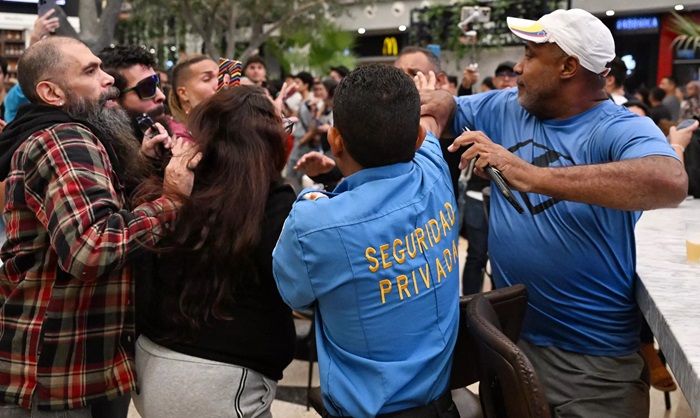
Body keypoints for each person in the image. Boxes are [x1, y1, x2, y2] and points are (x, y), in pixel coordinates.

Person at [422, 8, 687, 417]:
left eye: (530, 54)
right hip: (511, 344)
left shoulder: (617, 128)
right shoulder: (505, 107)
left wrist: (532, 176)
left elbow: (669, 181)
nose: (519, 67)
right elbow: (448, 103)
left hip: (591, 366)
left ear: (568, 66)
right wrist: (433, 109)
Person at [0, 36, 200, 415]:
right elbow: (90, 247)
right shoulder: (66, 138)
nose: (109, 79)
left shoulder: (60, 134)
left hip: (70, 370)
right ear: (51, 92)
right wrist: (172, 201)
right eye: (91, 71)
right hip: (57, 378)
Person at [273, 65, 460, 418]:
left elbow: (294, 295)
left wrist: (311, 199)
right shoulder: (435, 171)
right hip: (442, 401)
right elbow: (429, 130)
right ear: (419, 139)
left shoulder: (315, 222)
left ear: (334, 139)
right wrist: (423, 99)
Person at [133, 86, 296, 418]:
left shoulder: (175, 187)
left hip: (150, 361)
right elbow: (295, 286)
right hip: (220, 379)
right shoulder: (272, 201)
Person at [98, 45, 175, 160]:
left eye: (157, 84)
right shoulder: (102, 153)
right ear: (112, 99)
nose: (161, 96)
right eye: (148, 88)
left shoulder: (177, 139)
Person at [168, 54, 219, 137]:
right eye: (207, 79)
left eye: (220, 77)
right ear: (183, 93)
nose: (219, 84)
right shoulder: (176, 138)